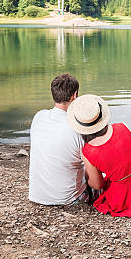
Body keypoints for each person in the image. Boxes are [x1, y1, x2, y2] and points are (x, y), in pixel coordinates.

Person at [28, 73, 88, 205]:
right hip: (69, 199)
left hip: (37, 196)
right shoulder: (77, 128)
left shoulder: (39, 116)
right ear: (75, 95)